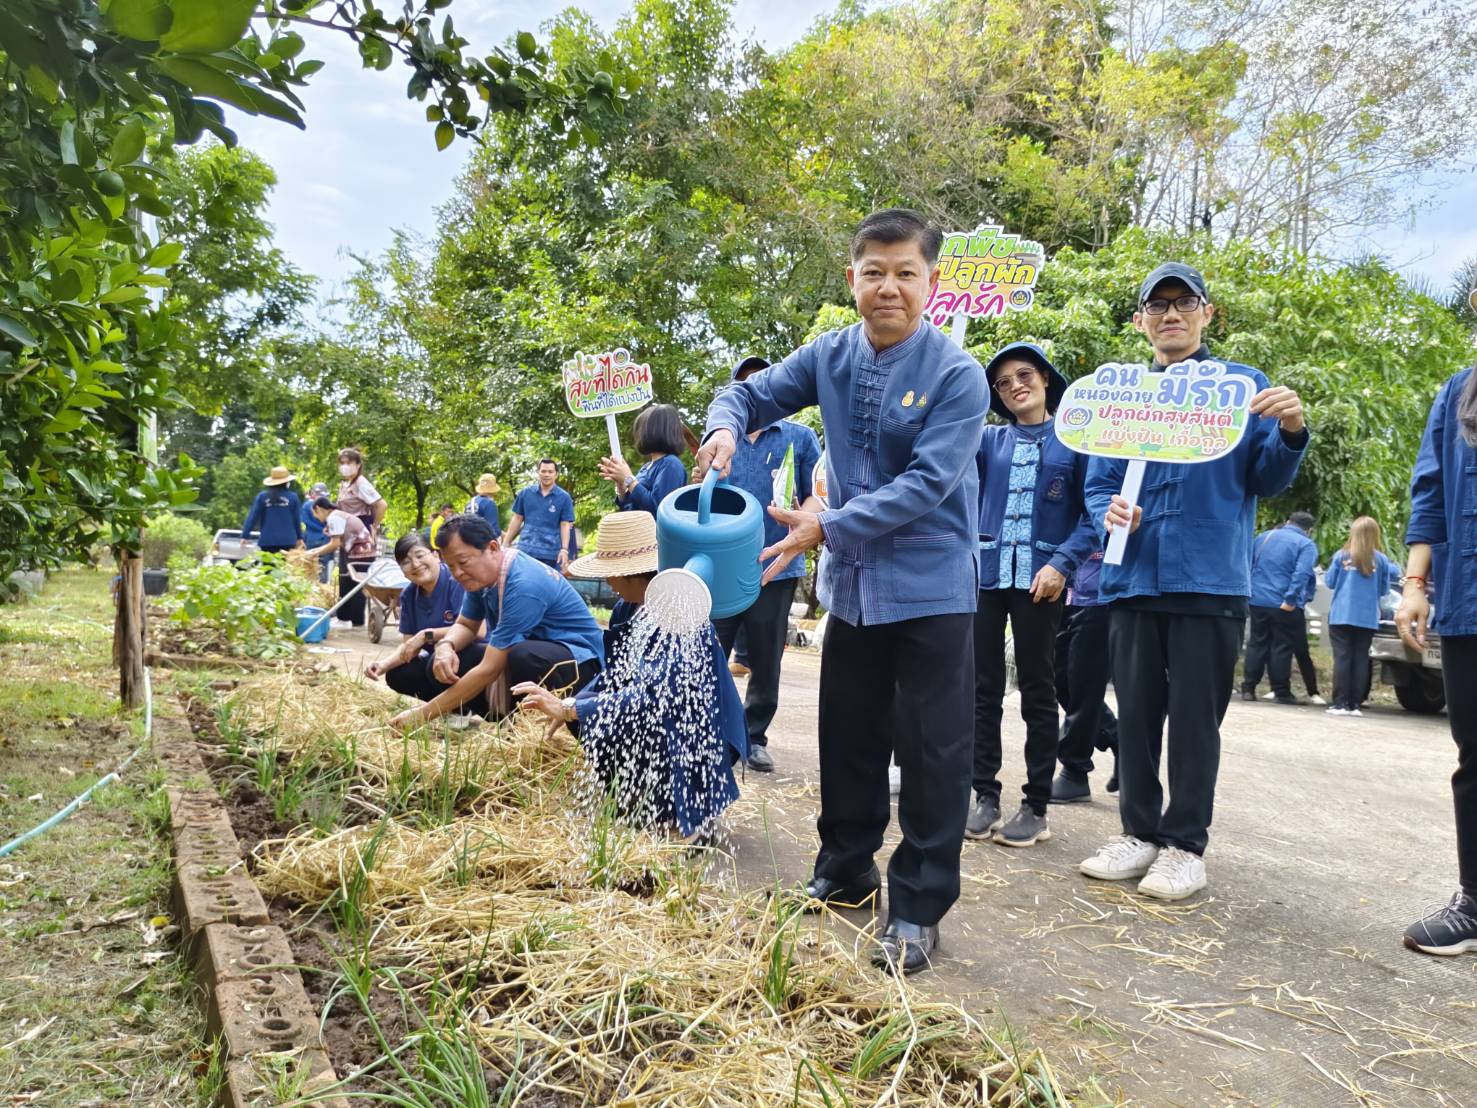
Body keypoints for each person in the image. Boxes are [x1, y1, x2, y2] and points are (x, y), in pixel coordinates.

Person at [698, 208, 987, 976]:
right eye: (873, 272)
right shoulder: (828, 354)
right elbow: (750, 397)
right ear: (851, 276)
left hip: (930, 589)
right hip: (854, 589)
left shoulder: (958, 377)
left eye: (905, 273)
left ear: (932, 282)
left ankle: (919, 906)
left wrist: (825, 527)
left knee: (932, 751)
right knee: (849, 735)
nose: (887, 287)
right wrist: (723, 427)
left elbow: (927, 484)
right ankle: (845, 870)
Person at [1079, 261, 1308, 902]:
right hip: (1132, 579)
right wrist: (1107, 512)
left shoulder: (1242, 387)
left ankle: (1185, 846)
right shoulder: (1122, 396)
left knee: (1194, 721)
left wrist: (1290, 429)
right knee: (1136, 716)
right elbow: (1098, 482)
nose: (1171, 314)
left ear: (1208, 314)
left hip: (1210, 580)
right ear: (1140, 321)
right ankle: (1139, 834)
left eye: (1185, 303)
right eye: (1158, 305)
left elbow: (1265, 477)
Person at [514, 511, 748, 837]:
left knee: (610, 712)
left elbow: (659, 697)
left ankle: (687, 812)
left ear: (631, 574)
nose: (607, 582)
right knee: (590, 706)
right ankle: (640, 794)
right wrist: (576, 704)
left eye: (611, 574)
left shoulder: (679, 612)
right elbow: (617, 672)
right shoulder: (628, 606)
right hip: (657, 710)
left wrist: (571, 708)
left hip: (698, 731)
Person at [968, 343, 1095, 848]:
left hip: (1042, 584)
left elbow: (1092, 515)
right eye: (1002, 382)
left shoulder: (1076, 443)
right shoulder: (986, 442)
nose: (1015, 385)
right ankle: (984, 796)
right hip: (986, 575)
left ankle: (1036, 805)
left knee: (1039, 691)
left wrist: (1062, 564)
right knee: (982, 689)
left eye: (1023, 375)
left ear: (1044, 378)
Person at [1398, 339, 1477, 957]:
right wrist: (1415, 584)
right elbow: (1432, 491)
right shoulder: (1459, 391)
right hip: (1469, 598)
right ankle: (1474, 901)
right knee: (1473, 752)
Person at [387, 514, 604, 732]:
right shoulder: (479, 579)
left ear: (492, 548)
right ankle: (503, 717)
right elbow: (466, 625)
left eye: (462, 562)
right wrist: (445, 646)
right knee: (452, 658)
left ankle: (529, 728)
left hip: (582, 667)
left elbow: (489, 669)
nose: (457, 573)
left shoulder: (523, 584)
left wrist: (422, 715)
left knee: (524, 655)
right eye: (451, 566)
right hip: (536, 653)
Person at [710, 356, 822, 774]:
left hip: (778, 566)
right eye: (747, 383)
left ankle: (754, 737)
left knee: (766, 657)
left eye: (765, 382)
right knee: (711, 651)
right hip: (723, 569)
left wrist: (804, 519)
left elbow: (818, 496)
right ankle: (711, 730)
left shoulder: (801, 437)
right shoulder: (722, 439)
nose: (758, 390)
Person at [366, 531, 488, 716]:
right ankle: (449, 707)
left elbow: (478, 631)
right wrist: (383, 664)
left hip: (476, 655)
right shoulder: (408, 595)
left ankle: (464, 706)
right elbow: (409, 646)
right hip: (440, 662)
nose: (415, 564)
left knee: (437, 661)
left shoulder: (456, 581)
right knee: (398, 674)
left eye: (420, 555)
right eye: (406, 562)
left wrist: (426, 635)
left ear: (436, 555)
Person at [1051, 549, 1120, 803]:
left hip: (1101, 595)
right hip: (1067, 590)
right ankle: (1117, 736)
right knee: (1060, 680)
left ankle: (1075, 771)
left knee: (1085, 685)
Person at [1242, 512, 1322, 706]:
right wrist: (1291, 599)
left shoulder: (1263, 537)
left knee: (1257, 643)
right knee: (1281, 646)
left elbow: (1248, 564)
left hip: (1258, 599)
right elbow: (1301, 573)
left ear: (1288, 521)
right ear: (1309, 530)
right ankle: (1281, 692)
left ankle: (1249, 688)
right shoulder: (1306, 544)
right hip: (1283, 603)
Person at [1324, 516, 1397, 717]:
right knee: (1361, 659)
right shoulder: (1381, 560)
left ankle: (1340, 703)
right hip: (1367, 617)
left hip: (1341, 615)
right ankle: (1355, 704)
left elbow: (1330, 582)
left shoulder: (1342, 555)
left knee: (1342, 658)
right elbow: (1384, 590)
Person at [600, 403, 688, 514]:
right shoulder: (646, 467)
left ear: (653, 431)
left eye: (640, 429)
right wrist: (621, 484)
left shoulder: (671, 464)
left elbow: (658, 509)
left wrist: (628, 479)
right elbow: (629, 507)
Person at [306, 497, 376, 628]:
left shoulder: (334, 518)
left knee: (351, 585)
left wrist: (314, 553)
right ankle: (350, 619)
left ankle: (349, 620)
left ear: (319, 509)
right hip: (362, 551)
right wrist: (314, 551)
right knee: (350, 583)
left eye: (315, 514)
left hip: (359, 553)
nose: (316, 518)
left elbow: (334, 544)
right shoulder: (339, 515)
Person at [505, 460, 575, 572]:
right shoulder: (525, 493)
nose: (546, 474)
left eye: (550, 471)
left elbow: (565, 524)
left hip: (551, 554)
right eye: (543, 471)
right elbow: (517, 518)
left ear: (556, 474)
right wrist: (506, 542)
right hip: (525, 550)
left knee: (548, 587)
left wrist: (564, 550)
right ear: (538, 473)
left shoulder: (564, 497)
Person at [241, 466, 304, 555]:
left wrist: (245, 535)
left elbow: (252, 517)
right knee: (284, 568)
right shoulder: (293, 497)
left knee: (268, 568)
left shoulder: (262, 497)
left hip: (267, 541)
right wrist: (300, 537)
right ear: (287, 482)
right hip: (288, 541)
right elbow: (297, 520)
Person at [335, 447, 386, 535]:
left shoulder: (360, 483)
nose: (345, 466)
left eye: (348, 463)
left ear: (358, 465)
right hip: (347, 531)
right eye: (342, 463)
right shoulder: (345, 484)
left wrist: (374, 527)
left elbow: (382, 505)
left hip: (360, 532)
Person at [300, 482, 333, 581]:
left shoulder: (306, 506)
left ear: (313, 493)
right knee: (323, 568)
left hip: (310, 539)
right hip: (326, 540)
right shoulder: (328, 506)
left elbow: (303, 521)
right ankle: (322, 589)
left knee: (309, 567)